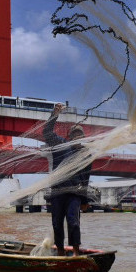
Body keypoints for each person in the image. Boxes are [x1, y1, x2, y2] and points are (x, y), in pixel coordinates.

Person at [43, 102, 92, 256]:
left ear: (83, 138)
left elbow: (85, 179)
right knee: (57, 224)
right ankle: (61, 252)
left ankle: (76, 252)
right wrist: (55, 114)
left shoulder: (86, 155)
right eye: (75, 135)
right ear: (70, 137)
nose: (78, 138)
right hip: (57, 192)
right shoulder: (60, 146)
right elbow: (47, 133)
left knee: (73, 222)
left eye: (80, 136)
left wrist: (84, 201)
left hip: (74, 194)